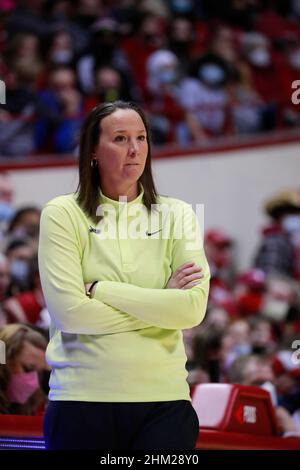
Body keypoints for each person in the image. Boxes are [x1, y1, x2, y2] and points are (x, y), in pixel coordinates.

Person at [38, 100, 210, 451]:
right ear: (93, 151)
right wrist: (161, 303)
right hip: (81, 400)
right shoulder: (61, 214)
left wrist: (102, 290)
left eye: (142, 138)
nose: (134, 150)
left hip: (165, 402)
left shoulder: (178, 214)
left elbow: (191, 310)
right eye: (120, 139)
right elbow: (71, 315)